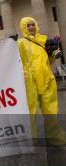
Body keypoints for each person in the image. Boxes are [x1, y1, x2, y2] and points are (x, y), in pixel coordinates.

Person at [17, 17, 65, 146]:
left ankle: (54, 136)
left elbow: (47, 62)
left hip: (46, 79)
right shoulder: (21, 43)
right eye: (28, 25)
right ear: (23, 27)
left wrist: (52, 55)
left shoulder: (43, 40)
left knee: (51, 110)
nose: (31, 27)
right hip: (29, 81)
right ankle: (31, 140)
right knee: (31, 112)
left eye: (33, 25)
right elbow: (16, 61)